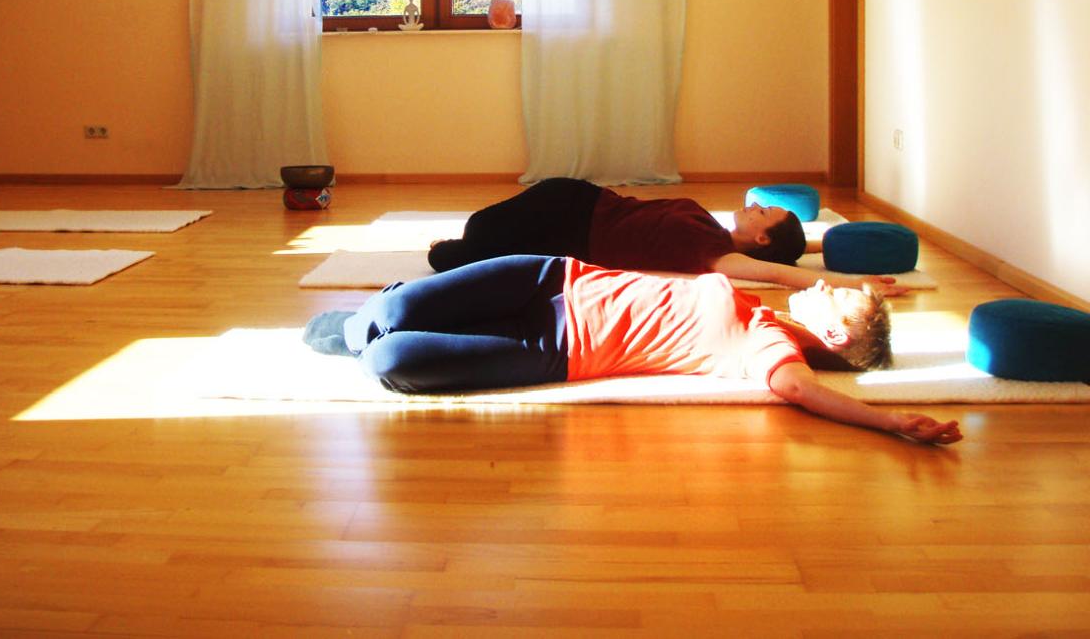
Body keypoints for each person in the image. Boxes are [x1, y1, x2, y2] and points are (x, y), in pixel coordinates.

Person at [303, 256, 961, 445]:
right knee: (390, 311)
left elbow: (798, 391)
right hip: (553, 277)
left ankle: (364, 334)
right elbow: (781, 267)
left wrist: (891, 421)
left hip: (554, 347)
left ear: (837, 338)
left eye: (836, 299)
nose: (823, 286)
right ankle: (368, 321)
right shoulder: (761, 307)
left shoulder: (771, 346)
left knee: (391, 362)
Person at [426, 177, 907, 297]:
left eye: (762, 212)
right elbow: (800, 250)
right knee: (478, 230)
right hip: (575, 200)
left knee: (471, 241)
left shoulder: (716, 255)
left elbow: (780, 273)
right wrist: (828, 248)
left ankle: (459, 255)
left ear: (762, 239)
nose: (753, 204)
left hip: (569, 230)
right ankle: (464, 251)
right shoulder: (714, 229)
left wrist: (852, 285)